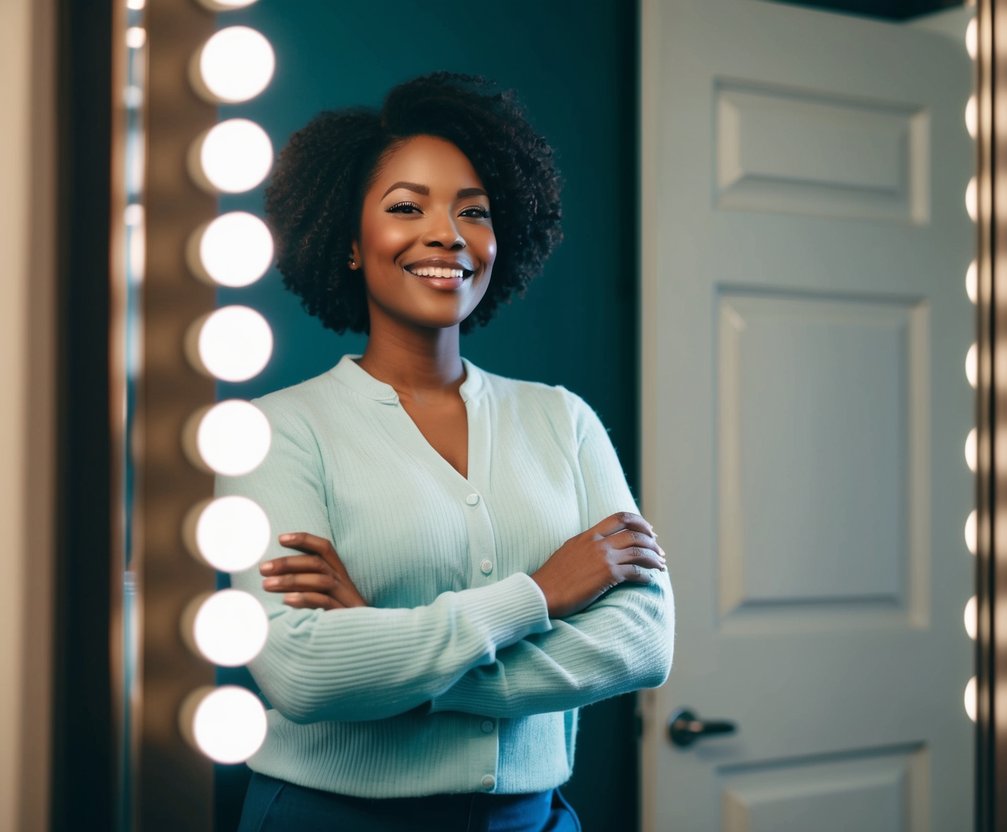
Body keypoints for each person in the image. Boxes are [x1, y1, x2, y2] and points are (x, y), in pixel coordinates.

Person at [219, 73, 675, 831]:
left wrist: (390, 650)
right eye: (407, 207)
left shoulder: (562, 421)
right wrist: (540, 595)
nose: (449, 234)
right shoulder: (277, 432)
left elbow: (641, 644)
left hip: (534, 819)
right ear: (348, 241)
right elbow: (303, 671)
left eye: (475, 212)